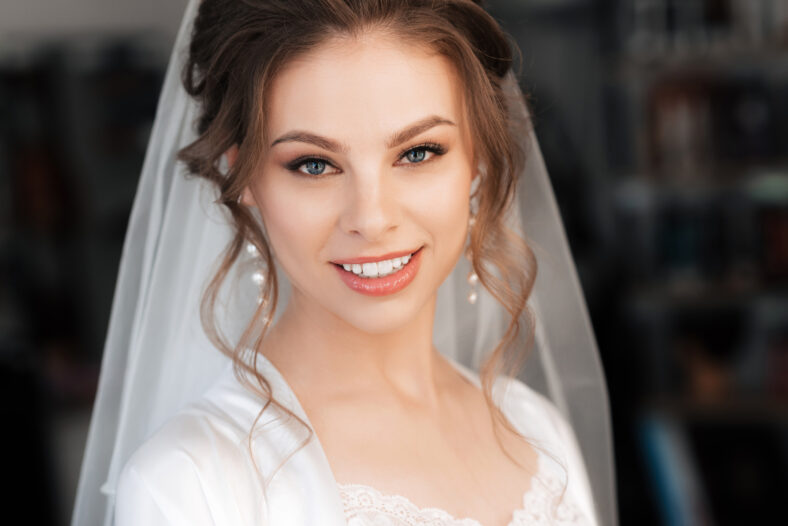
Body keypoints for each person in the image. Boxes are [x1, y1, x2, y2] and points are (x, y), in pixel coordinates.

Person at [71, 1, 617, 525]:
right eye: (314, 165)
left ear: (476, 157)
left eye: (418, 152)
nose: (372, 218)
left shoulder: (535, 430)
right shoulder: (191, 484)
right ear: (243, 179)